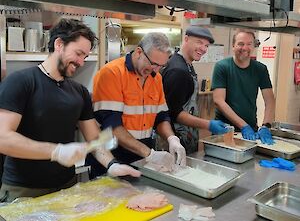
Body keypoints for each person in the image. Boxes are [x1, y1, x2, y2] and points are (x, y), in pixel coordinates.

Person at [0, 18, 140, 202]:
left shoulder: (79, 91)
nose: (81, 62)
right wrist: (56, 151)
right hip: (25, 190)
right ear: (59, 44)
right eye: (78, 53)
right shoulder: (21, 82)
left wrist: (112, 164)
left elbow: (94, 140)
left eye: (85, 56)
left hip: (67, 186)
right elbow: (3, 138)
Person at [88, 32, 186, 178]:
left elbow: (161, 116)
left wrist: (172, 139)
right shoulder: (111, 73)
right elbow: (112, 126)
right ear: (139, 52)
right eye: (153, 63)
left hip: (142, 159)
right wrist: (150, 154)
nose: (156, 70)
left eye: (161, 66)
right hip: (112, 159)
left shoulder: (156, 78)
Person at [161, 26, 229, 154]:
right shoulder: (178, 71)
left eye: (206, 46)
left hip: (186, 138)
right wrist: (208, 124)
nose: (203, 49)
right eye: (199, 42)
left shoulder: (186, 65)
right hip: (174, 142)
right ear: (186, 39)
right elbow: (174, 113)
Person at [211, 29, 275, 145]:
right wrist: (243, 125)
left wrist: (266, 126)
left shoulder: (260, 69)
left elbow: (270, 100)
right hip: (225, 130)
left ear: (254, 46)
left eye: (249, 44)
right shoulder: (222, 67)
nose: (245, 48)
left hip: (252, 130)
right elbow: (219, 101)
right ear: (233, 46)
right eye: (240, 44)